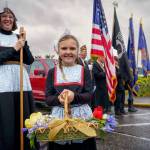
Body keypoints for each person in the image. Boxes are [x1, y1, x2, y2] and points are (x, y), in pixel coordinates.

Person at [46, 34, 97, 150]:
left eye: (72, 48)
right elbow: (48, 99)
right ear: (58, 51)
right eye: (64, 48)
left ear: (77, 51)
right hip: (59, 118)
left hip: (82, 117)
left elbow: (89, 95)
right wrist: (58, 99)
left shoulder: (84, 71)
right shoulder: (52, 72)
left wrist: (75, 96)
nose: (68, 52)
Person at [0, 7, 35, 150]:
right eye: (4, 16)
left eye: (11, 17)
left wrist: (23, 43)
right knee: (6, 117)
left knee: (24, 115)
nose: (8, 19)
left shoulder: (18, 37)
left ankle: (26, 146)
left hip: (21, 81)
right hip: (4, 81)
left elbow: (30, 60)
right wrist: (14, 48)